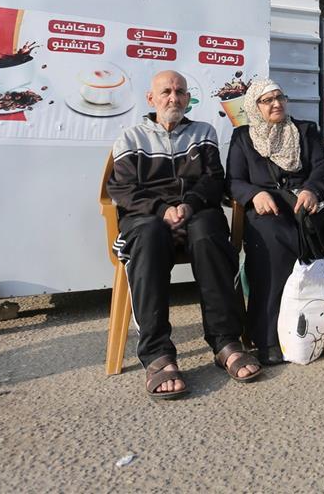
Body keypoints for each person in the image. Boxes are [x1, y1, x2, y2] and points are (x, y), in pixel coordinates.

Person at [108, 70, 258, 399]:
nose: (173, 98)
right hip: (148, 219)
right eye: (166, 92)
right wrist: (162, 209)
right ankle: (157, 353)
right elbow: (122, 190)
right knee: (149, 236)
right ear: (151, 98)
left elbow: (213, 180)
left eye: (180, 92)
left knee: (208, 232)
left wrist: (188, 205)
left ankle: (225, 341)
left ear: (188, 98)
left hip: (195, 212)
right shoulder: (130, 138)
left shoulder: (203, 133)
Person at [227, 79, 324, 365]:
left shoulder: (305, 130)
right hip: (272, 211)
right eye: (267, 100)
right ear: (254, 107)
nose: (276, 104)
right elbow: (233, 180)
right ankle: (270, 337)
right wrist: (254, 194)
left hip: (312, 208)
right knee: (273, 239)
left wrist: (312, 189)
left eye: (280, 97)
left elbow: (322, 166)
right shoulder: (243, 138)